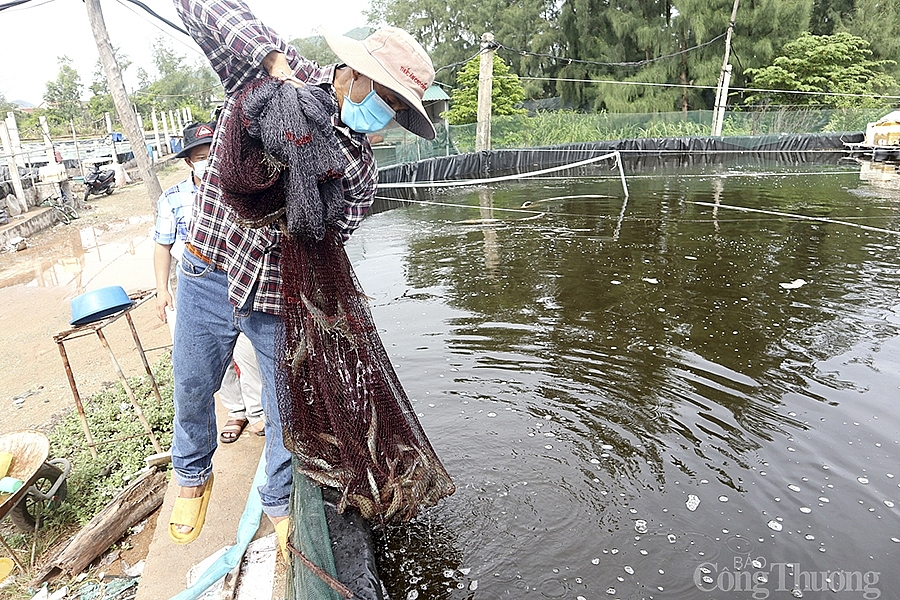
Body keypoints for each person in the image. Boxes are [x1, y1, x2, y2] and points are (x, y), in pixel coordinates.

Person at [169, 0, 436, 553]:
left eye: (396, 110)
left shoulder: (359, 165)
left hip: (276, 294)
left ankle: (278, 503)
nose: (385, 116)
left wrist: (309, 188)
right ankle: (192, 474)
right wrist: (272, 62)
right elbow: (201, 6)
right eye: (387, 99)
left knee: (286, 410)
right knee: (192, 385)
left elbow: (335, 235)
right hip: (208, 265)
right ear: (356, 73)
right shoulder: (273, 78)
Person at [152, 122, 265, 445]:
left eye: (212, 154)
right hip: (195, 280)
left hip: (238, 276)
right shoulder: (173, 198)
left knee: (247, 348)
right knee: (212, 354)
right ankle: (236, 410)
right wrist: (162, 290)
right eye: (200, 157)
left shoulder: (238, 187)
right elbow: (162, 245)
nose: (207, 161)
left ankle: (258, 410)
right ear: (189, 161)